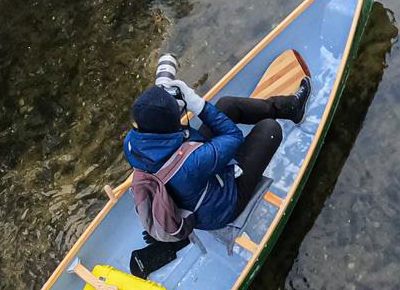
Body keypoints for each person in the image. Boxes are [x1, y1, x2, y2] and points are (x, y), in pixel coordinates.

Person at [123, 69, 310, 233]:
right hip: (222, 207)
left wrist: (167, 109)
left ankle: (291, 108)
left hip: (191, 180)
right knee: (270, 129)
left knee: (227, 105)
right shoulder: (192, 164)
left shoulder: (131, 142)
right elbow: (234, 136)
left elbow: (173, 137)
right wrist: (196, 104)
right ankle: (292, 111)